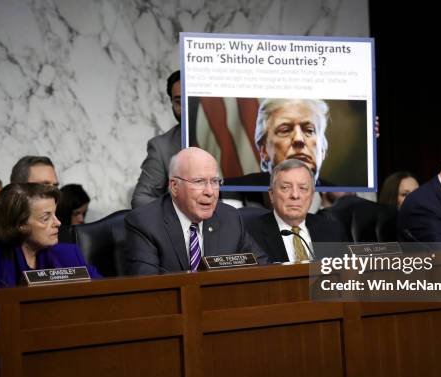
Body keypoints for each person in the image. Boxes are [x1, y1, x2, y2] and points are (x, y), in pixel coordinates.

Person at [125, 147, 267, 274]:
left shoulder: (230, 218)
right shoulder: (144, 223)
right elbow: (148, 290)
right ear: (175, 186)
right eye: (199, 182)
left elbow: (263, 269)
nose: (210, 192)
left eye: (215, 181)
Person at [0, 183, 100, 289]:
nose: (58, 223)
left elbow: (105, 292)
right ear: (20, 224)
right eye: (46, 218)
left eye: (55, 215)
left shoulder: (69, 254)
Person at [244, 159, 348, 263]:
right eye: (285, 188)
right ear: (271, 194)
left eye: (303, 188)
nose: (295, 195)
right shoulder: (250, 235)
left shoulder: (333, 230)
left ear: (312, 195)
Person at [224, 99, 331, 186]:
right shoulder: (227, 190)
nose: (299, 139)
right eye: (285, 130)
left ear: (322, 149)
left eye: (309, 130)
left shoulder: (341, 197)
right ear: (264, 150)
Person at [131, 70, 182, 208]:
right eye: (179, 101)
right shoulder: (162, 146)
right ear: (171, 104)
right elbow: (140, 199)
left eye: (191, 99)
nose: (186, 108)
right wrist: (180, 209)